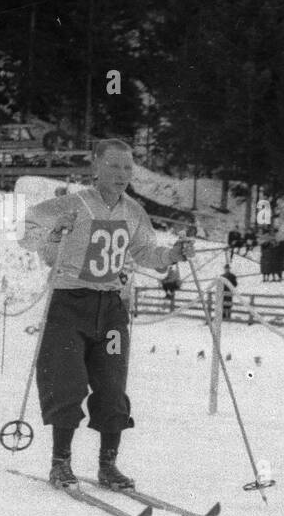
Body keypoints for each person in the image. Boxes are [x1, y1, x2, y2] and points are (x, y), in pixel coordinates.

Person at [19, 138, 195, 490]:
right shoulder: (72, 203)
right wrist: (55, 233)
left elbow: (145, 251)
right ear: (95, 166)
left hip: (111, 305)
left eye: (128, 167)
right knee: (66, 380)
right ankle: (61, 462)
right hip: (70, 301)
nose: (121, 174)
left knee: (112, 386)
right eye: (113, 166)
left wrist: (173, 255)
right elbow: (32, 237)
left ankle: (108, 464)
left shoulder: (133, 211)